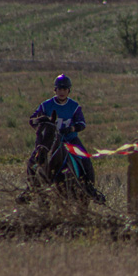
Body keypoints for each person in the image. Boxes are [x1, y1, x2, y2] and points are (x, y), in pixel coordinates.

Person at [28, 73, 104, 203]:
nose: (62, 92)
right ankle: (30, 189)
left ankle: (90, 189)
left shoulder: (74, 106)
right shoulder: (46, 105)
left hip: (70, 139)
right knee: (32, 160)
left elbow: (82, 124)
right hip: (50, 140)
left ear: (69, 90)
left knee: (86, 159)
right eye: (59, 89)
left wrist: (72, 129)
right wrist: (42, 122)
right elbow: (32, 119)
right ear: (55, 90)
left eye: (65, 89)